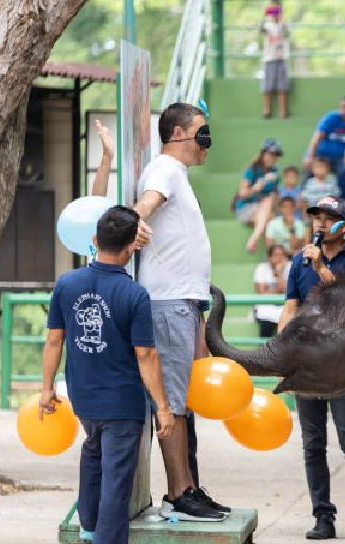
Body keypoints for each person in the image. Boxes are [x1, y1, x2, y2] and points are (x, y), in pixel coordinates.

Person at [41, 206, 176, 544]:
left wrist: (46, 387)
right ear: (133, 246)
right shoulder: (134, 294)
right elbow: (146, 355)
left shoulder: (67, 283)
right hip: (122, 401)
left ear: (95, 241)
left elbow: (54, 339)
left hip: (84, 396)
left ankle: (90, 526)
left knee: (94, 451)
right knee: (117, 478)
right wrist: (163, 407)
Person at [134, 102, 227, 522]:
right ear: (177, 135)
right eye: (201, 133)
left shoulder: (182, 177)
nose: (207, 142)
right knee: (171, 400)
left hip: (186, 302)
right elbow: (147, 204)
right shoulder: (165, 170)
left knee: (184, 399)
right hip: (167, 301)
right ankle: (178, 491)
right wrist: (136, 220)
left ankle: (189, 485)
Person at [275, 196, 345, 542]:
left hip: (343, 367)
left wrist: (322, 267)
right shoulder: (299, 262)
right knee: (313, 444)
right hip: (307, 366)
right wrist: (282, 354)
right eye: (316, 217)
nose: (319, 223)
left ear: (343, 225)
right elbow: (290, 308)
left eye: (327, 217)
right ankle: (323, 516)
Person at [234, 138, 282, 253]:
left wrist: (274, 198)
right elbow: (242, 194)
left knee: (269, 213)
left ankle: (266, 251)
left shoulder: (275, 173)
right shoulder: (252, 169)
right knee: (268, 210)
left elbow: (274, 197)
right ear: (263, 154)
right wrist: (256, 188)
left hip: (263, 210)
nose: (273, 158)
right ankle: (264, 248)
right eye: (270, 154)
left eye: (275, 155)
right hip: (246, 208)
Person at [303, 96, 345, 174]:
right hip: (323, 156)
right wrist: (309, 156)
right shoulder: (330, 118)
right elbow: (316, 138)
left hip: (344, 159)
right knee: (310, 169)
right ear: (340, 108)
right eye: (344, 107)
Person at [259, 1, 290, 119]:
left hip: (281, 58)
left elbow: (287, 33)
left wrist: (282, 19)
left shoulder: (284, 24)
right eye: (274, 10)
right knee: (267, 86)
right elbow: (261, 29)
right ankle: (267, 110)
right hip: (269, 58)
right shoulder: (268, 25)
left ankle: (283, 111)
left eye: (277, 10)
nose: (275, 13)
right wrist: (264, 15)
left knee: (282, 86)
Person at [253, 244, 291, 338]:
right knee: (266, 330)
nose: (279, 258)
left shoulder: (290, 266)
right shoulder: (262, 268)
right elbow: (262, 292)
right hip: (266, 308)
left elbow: (289, 290)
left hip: (284, 308)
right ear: (269, 257)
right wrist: (280, 290)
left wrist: (278, 273)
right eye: (276, 255)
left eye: (282, 255)